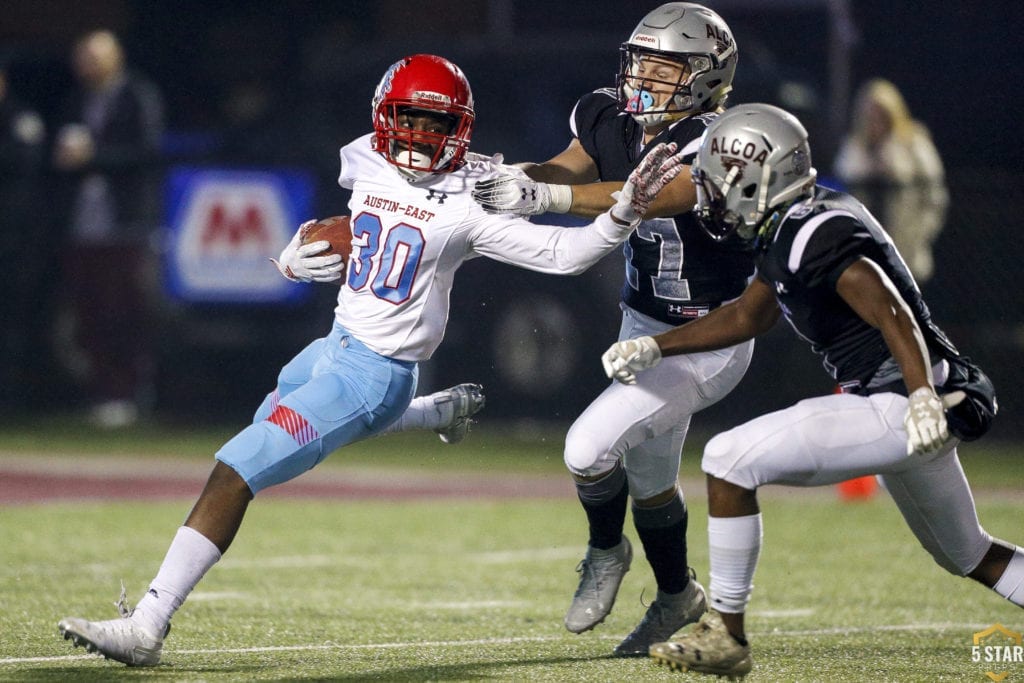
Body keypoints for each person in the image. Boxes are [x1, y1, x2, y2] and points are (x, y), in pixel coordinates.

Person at [57, 53, 688, 667]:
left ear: (460, 129)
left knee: (236, 467)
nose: (418, 136)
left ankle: (147, 624)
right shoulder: (364, 157)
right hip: (331, 349)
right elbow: (351, 227)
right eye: (408, 118)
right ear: (384, 115)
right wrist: (293, 256)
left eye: (435, 124)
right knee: (263, 420)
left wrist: (624, 212)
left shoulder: (473, 197)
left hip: (375, 374)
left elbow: (565, 257)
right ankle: (427, 414)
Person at [601, 103, 1021, 678]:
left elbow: (892, 313)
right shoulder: (792, 221)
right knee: (967, 554)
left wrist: (920, 394)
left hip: (902, 401)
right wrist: (656, 347)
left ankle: (727, 633)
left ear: (756, 177)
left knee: (727, 459)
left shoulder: (810, 228)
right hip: (912, 397)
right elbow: (749, 316)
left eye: (719, 181)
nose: (711, 197)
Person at [471, 3, 752, 655]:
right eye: (641, 62)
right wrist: (516, 178)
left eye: (664, 67)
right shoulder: (609, 115)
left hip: (711, 333)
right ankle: (679, 595)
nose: (644, 79)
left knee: (586, 448)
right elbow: (569, 167)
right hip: (642, 319)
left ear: (707, 77)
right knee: (651, 479)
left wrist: (547, 200)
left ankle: (605, 550)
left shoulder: (720, 139)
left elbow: (654, 193)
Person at [51, 29, 166, 427]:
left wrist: (93, 157)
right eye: (83, 56)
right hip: (83, 223)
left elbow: (148, 151)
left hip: (125, 222)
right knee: (89, 312)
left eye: (96, 56)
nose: (88, 64)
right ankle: (101, 393)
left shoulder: (136, 96)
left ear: (116, 58)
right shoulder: (76, 99)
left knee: (124, 310)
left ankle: (127, 394)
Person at [833, 78, 948, 284]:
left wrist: (923, 232)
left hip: (906, 239)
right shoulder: (854, 147)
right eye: (870, 115)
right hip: (863, 243)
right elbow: (842, 184)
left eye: (881, 113)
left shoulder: (914, 144)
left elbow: (934, 194)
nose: (875, 120)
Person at [0, 56, 47, 407]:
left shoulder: (21, 119)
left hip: (14, 239)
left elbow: (25, 164)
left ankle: (11, 398)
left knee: (11, 321)